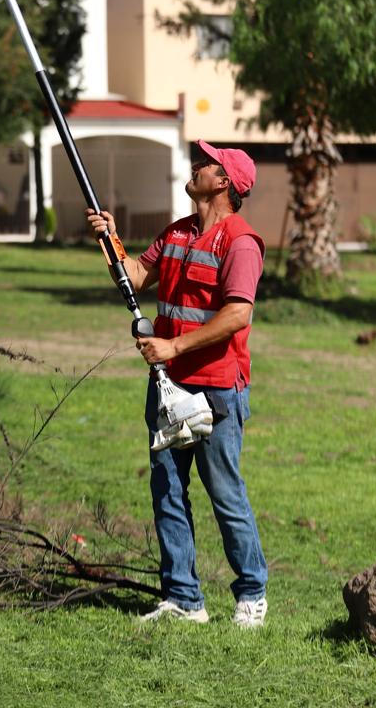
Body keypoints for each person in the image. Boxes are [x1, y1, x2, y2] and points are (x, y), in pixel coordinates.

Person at [87, 140, 268, 628]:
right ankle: (184, 599)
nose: (195, 167)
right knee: (167, 488)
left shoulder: (241, 242)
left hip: (217, 388)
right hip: (168, 385)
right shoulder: (178, 234)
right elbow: (136, 274)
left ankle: (252, 594)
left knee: (223, 491)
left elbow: (236, 315)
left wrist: (173, 347)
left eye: (205, 164)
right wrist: (111, 239)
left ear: (224, 182)